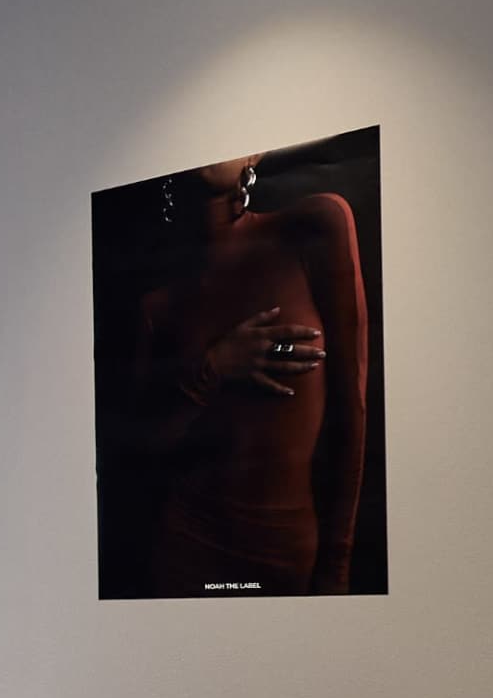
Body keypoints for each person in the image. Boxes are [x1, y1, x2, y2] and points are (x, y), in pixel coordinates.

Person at [106, 154, 369, 597]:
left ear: (255, 155)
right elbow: (140, 449)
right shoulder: (155, 301)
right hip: (182, 545)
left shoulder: (313, 226)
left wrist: (337, 568)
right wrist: (214, 367)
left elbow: (353, 407)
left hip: (286, 547)